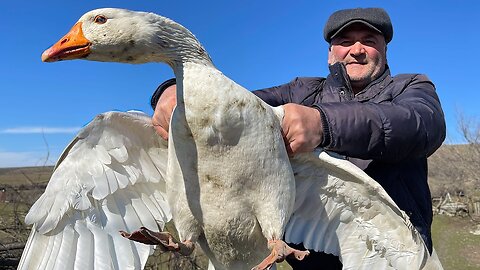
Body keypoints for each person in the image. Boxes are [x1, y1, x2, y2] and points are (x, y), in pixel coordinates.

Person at [150, 7, 446, 269]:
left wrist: (323, 124)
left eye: (369, 41)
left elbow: (422, 126)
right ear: (331, 53)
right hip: (311, 261)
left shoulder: (411, 86)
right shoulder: (300, 91)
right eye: (345, 42)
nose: (357, 49)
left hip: (395, 252)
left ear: (383, 49)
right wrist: (174, 89)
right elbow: (232, 106)